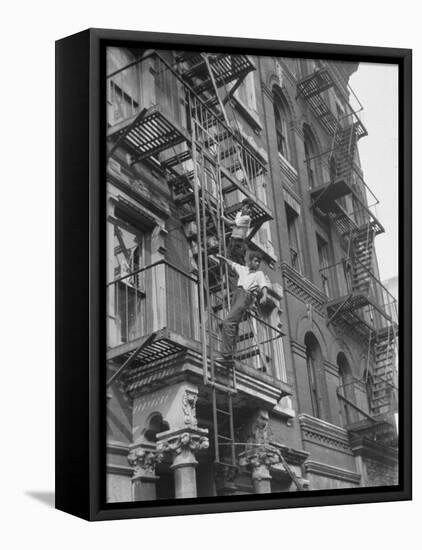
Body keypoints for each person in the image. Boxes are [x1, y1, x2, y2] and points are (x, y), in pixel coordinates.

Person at [215, 251, 268, 361]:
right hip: (237, 294)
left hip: (246, 295)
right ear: (250, 261)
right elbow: (233, 264)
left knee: (228, 322)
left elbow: (263, 286)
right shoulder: (243, 269)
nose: (258, 264)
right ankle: (232, 353)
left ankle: (227, 355)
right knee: (233, 324)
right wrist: (222, 258)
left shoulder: (259, 274)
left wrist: (264, 296)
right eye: (256, 261)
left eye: (259, 262)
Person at [223, 198, 252, 265]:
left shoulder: (247, 218)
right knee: (229, 258)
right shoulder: (238, 214)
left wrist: (222, 218)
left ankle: (244, 270)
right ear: (243, 206)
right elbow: (235, 227)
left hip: (239, 242)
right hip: (232, 240)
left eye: (250, 209)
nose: (249, 210)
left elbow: (231, 223)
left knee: (239, 260)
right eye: (247, 207)